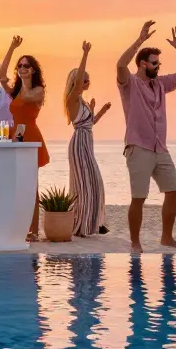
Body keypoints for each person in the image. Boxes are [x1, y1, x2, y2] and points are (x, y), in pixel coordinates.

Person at [116, 21, 176, 253]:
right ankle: (135, 242)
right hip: (138, 147)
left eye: (159, 63)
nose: (158, 67)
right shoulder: (130, 83)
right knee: (139, 197)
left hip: (160, 148)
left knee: (173, 190)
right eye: (155, 63)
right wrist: (140, 40)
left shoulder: (160, 83)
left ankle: (166, 238)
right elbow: (120, 64)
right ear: (142, 64)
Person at [0, 36, 49, 241]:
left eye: (26, 65)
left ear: (33, 69)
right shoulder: (17, 90)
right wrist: (11, 47)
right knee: (16, 184)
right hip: (16, 136)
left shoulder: (37, 90)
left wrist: (25, 79)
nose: (22, 68)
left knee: (31, 186)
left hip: (31, 135)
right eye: (20, 66)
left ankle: (34, 230)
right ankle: (18, 226)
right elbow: (1, 76)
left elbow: (28, 97)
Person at [64, 42, 111, 238]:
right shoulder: (72, 99)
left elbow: (90, 123)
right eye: (84, 80)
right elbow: (83, 124)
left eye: (88, 80)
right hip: (79, 144)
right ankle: (82, 225)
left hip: (86, 143)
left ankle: (92, 224)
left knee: (93, 183)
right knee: (85, 184)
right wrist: (85, 54)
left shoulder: (82, 102)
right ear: (76, 82)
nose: (86, 82)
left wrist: (101, 111)